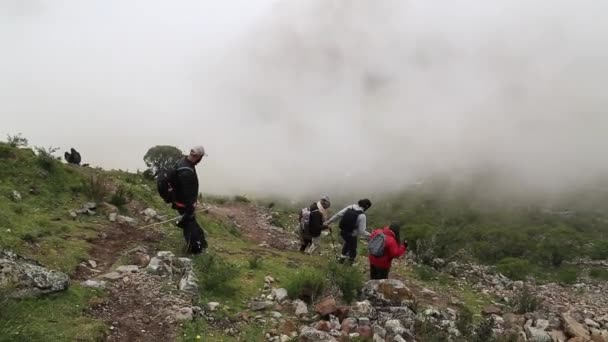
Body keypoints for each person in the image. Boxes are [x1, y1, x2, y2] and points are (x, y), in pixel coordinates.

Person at [172, 146, 208, 253]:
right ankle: (194, 251)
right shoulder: (186, 170)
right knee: (190, 227)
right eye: (201, 157)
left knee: (190, 225)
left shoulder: (185, 163)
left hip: (182, 202)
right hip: (184, 204)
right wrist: (190, 207)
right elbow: (187, 192)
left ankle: (198, 245)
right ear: (198, 157)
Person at [325, 198, 372, 265]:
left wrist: (329, 222)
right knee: (353, 248)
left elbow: (338, 214)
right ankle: (350, 263)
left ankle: (341, 260)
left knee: (347, 244)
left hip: (343, 231)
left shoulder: (350, 207)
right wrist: (372, 234)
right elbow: (362, 231)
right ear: (366, 207)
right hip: (352, 234)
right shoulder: (362, 216)